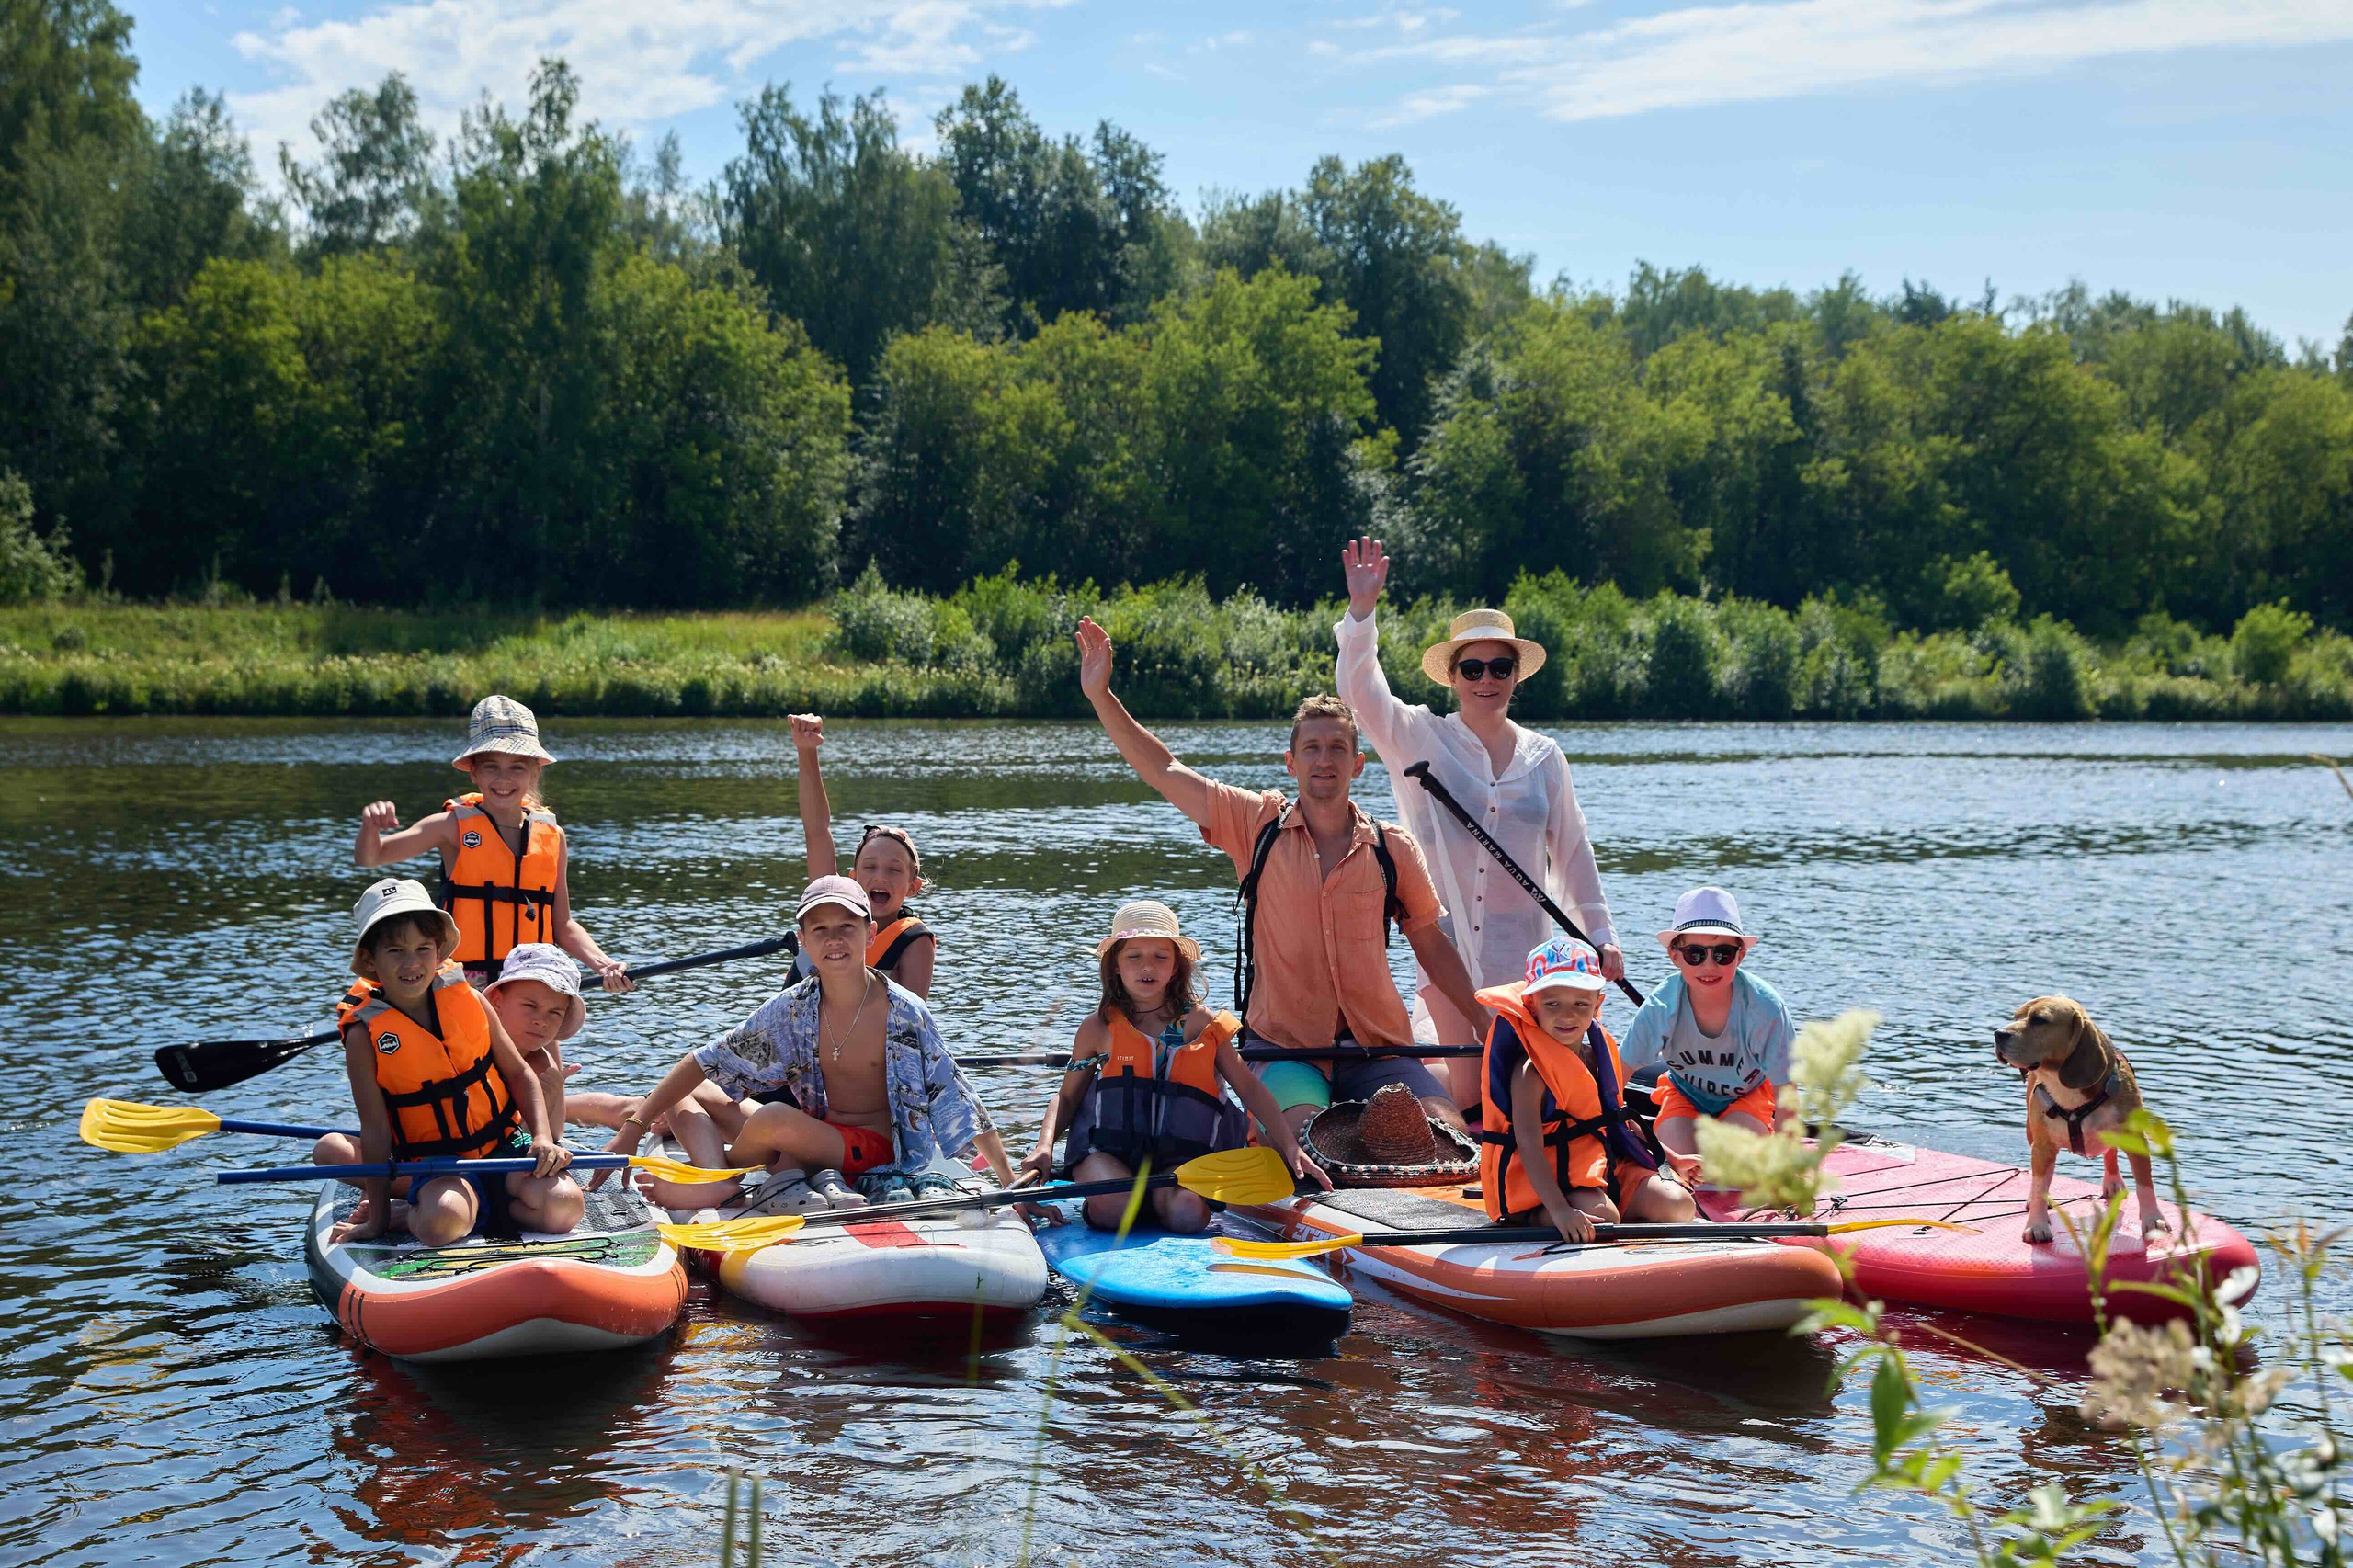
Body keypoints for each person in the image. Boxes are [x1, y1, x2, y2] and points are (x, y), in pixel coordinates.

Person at [1074, 615, 1483, 1141]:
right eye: (1312, 748)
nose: (1324, 759)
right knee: (1306, 1138)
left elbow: (1429, 941)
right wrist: (1101, 695)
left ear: (1358, 764)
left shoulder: (1391, 848)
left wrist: (1483, 1018)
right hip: (1287, 1050)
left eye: (1337, 748)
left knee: (1442, 1138)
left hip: (1378, 1048)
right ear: (1291, 763)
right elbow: (1166, 770)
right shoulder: (1255, 826)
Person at [1335, 537, 1620, 1114]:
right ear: (1453, 676)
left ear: (1517, 675)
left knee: (1523, 1097)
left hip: (1528, 963)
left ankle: (1402, 1079)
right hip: (1447, 956)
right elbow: (1360, 691)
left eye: (1499, 666)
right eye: (1472, 667)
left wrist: (1602, 939)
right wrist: (1361, 614)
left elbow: (1573, 854)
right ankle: (1368, 1081)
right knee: (1473, 1098)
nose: (1485, 678)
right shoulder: (1419, 736)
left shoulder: (1545, 757)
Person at [597, 876, 1016, 1211]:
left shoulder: (904, 1012)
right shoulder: (793, 1009)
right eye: (821, 930)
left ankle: (721, 1177)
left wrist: (1010, 1185)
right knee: (691, 1086)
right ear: (804, 941)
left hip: (873, 1150)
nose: (834, 940)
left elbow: (958, 1100)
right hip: (815, 1134)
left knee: (776, 1117)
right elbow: (704, 1060)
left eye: (847, 928)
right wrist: (633, 1128)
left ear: (870, 934)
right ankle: (717, 1176)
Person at [1021, 901, 1328, 1231]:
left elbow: (1249, 1088)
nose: (1147, 966)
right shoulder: (1097, 1028)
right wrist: (1044, 1148)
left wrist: (1290, 1145)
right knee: (1115, 1208)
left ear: (1176, 967)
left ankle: (1158, 1201)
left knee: (1188, 1216)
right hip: (1107, 1155)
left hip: (1180, 1162)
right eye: (1134, 956)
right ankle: (1118, 1204)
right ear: (1115, 966)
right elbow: (1066, 1099)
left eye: (1160, 956)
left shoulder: (1203, 1024)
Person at [315, 878, 580, 1246]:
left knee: (565, 1208)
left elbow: (519, 1073)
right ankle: (411, 1214)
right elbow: (374, 1130)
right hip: (438, 1164)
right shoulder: (363, 1036)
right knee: (444, 1222)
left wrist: (540, 1137)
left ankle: (482, 1208)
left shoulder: (470, 999)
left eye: (423, 948)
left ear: (438, 952)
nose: (412, 963)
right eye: (396, 951)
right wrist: (375, 1220)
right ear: (371, 960)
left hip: (504, 1148)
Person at [353, 695, 631, 992]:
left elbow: (562, 925)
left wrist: (604, 965)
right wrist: (371, 826)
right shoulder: (450, 827)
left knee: (544, 1039)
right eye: (491, 767)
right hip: (464, 986)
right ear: (473, 771)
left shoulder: (553, 837)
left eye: (517, 767)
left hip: (529, 980)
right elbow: (372, 857)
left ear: (535, 771)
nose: (503, 779)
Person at [1475, 936, 1693, 1243]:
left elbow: (1617, 1119)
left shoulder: (1596, 1056)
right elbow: (1528, 1146)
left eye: (1580, 1004)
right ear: (1532, 1004)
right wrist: (1561, 1210)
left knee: (1679, 1205)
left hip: (1597, 1172)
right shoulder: (1530, 1072)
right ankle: (1533, 1217)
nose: (1568, 1015)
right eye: (1553, 1004)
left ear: (1597, 1004)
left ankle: (1606, 1214)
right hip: (1544, 1186)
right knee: (1604, 1218)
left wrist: (1673, 1159)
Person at [1620, 887, 1796, 1183]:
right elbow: (1616, 1077)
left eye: (1723, 954)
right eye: (1695, 954)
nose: (1709, 966)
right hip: (1683, 1095)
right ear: (1674, 956)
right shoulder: (1661, 1006)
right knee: (1678, 1174)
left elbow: (1786, 1091)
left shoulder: (1765, 1009)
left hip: (1748, 1096)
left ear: (1741, 955)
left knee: (1732, 1174)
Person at [786, 713, 938, 997]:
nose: (880, 876)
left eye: (894, 870)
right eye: (870, 867)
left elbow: (909, 1027)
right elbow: (817, 831)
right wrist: (806, 751)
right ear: (852, 879)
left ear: (913, 887)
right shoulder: (828, 906)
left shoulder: (913, 941)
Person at [481, 943, 587, 1133]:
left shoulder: (543, 1067)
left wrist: (549, 1099)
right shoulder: (470, 1045)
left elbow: (554, 1134)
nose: (541, 1021)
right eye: (530, 1006)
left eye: (554, 1012)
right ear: (497, 1002)